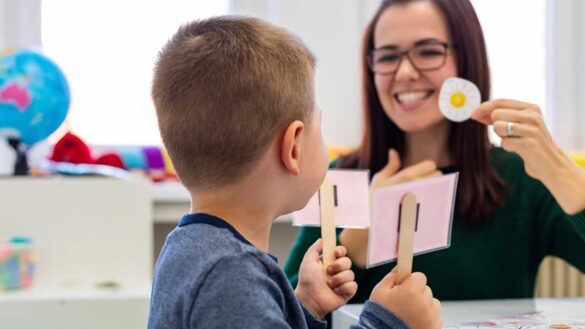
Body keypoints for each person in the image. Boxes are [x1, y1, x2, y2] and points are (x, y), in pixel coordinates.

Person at [147, 16, 442, 329]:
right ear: (294, 148)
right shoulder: (232, 274)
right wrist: (387, 323)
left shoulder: (189, 248)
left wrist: (305, 307)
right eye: (320, 125)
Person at [285, 0, 585, 302]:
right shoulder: (337, 178)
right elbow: (285, 315)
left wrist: (558, 168)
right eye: (388, 57)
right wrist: (359, 239)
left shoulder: (520, 178)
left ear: (468, 61)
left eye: (428, 52)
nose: (404, 72)